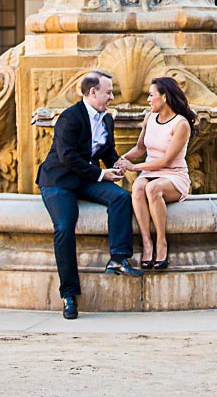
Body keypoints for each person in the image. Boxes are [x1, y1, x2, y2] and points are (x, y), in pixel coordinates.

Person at [37, 70, 141, 320]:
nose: (112, 97)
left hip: (86, 178)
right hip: (58, 180)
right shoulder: (69, 118)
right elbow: (67, 156)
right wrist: (100, 175)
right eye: (108, 92)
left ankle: (118, 258)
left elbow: (107, 151)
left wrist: (119, 165)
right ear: (92, 92)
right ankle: (69, 295)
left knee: (121, 198)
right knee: (63, 227)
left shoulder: (107, 119)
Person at [116, 76, 198, 271]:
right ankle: (147, 242)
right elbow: (140, 148)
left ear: (165, 97)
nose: (148, 100)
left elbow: (167, 161)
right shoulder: (149, 117)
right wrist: (121, 159)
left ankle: (161, 241)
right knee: (138, 187)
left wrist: (134, 168)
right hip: (151, 171)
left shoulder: (181, 124)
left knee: (152, 188)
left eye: (151, 95)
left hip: (173, 175)